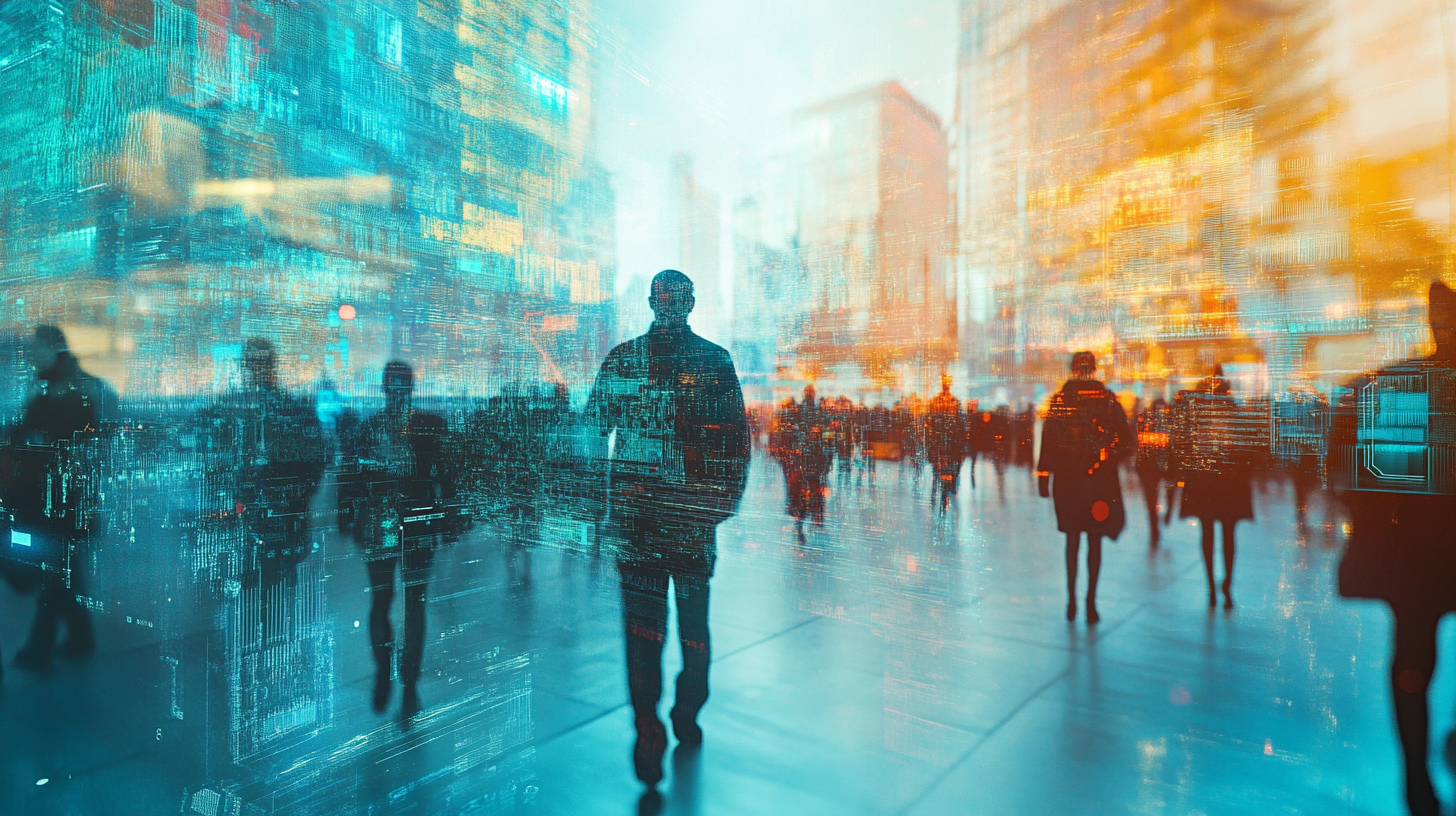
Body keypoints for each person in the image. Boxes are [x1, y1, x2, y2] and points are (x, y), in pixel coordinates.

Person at [585, 269, 750, 788]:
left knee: (645, 633)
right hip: (683, 523)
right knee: (690, 630)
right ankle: (677, 712)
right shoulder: (713, 362)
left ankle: (649, 723)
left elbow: (591, 432)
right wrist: (717, 505)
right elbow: (736, 446)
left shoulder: (624, 360)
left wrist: (597, 507)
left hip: (645, 523)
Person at [1330, 281, 1456, 816]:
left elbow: (1347, 455)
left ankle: (1415, 778)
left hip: (1417, 556)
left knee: (1411, 660)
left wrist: (1374, 522)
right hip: (1427, 551)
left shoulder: (1399, 384)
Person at [341, 362, 452, 720]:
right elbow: (446, 477)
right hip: (413, 525)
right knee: (413, 605)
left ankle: (387, 675)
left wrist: (348, 517)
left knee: (383, 600)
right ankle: (407, 683)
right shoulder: (431, 427)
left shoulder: (369, 428)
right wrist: (447, 520)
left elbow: (353, 475)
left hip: (381, 524)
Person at [5, 325, 108, 671]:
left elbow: (56, 441)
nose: (31, 355)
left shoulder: (68, 392)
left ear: (52, 350)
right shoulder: (61, 387)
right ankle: (77, 638)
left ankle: (42, 648)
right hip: (59, 503)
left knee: (54, 573)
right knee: (61, 574)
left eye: (36, 348)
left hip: (58, 503)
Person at [1037, 351, 1131, 624]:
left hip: (1067, 482)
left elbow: (1049, 440)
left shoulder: (1061, 401)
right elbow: (1125, 441)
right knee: (1094, 540)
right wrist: (1105, 457)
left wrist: (1044, 477)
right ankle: (1091, 601)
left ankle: (1072, 600)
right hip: (1099, 483)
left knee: (1072, 540)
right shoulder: (1107, 401)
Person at [1177, 365, 1254, 609]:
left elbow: (1186, 447)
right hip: (1230, 484)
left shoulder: (1198, 413)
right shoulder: (1235, 412)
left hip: (1204, 483)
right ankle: (1226, 585)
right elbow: (1246, 450)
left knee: (1207, 534)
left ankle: (1211, 585)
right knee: (1229, 535)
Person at [924, 375, 968, 510]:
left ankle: (938, 480)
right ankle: (953, 482)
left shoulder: (934, 401)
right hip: (950, 439)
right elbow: (962, 421)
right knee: (956, 459)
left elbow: (927, 420)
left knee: (936, 461)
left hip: (938, 439)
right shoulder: (955, 401)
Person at [1135, 397, 1172, 550]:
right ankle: (1166, 513)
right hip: (1164, 464)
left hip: (1147, 466)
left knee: (1151, 498)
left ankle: (1154, 527)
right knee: (1169, 488)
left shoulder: (1144, 421)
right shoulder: (1171, 422)